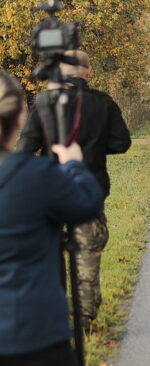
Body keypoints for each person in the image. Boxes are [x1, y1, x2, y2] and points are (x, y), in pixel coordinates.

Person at [19, 50, 132, 331]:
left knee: (49, 257)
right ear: (86, 72)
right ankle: (85, 322)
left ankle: (54, 318)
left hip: (50, 193)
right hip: (89, 192)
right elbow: (121, 144)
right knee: (86, 256)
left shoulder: (44, 103)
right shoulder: (103, 104)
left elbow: (24, 147)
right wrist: (93, 146)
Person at [0, 71, 103, 366]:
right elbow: (86, 203)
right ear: (20, 115)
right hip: (34, 335)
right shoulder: (35, 175)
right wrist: (73, 163)